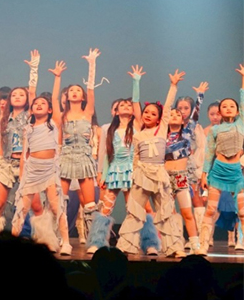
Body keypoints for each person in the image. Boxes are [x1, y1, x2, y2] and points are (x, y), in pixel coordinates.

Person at [116, 68, 186, 257]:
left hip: (159, 174)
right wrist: (136, 82)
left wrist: (173, 86)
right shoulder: (138, 134)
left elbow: (168, 106)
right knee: (134, 210)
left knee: (166, 211)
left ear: (159, 118)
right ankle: (126, 245)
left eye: (153, 113)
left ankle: (174, 247)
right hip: (142, 175)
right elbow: (136, 158)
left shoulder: (161, 129)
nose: (147, 115)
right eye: (146, 112)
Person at [0, 52, 38, 237]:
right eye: (14, 95)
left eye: (21, 94)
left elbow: (32, 92)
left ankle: (43, 239)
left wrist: (33, 69)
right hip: (6, 164)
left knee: (35, 205)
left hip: (25, 164)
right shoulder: (3, 119)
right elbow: (1, 145)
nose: (17, 97)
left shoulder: (30, 115)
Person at [87, 70, 141, 253]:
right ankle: (97, 241)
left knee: (132, 208)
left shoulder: (137, 126)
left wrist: (136, 82)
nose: (126, 106)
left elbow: (136, 102)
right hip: (114, 170)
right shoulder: (110, 130)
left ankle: (131, 242)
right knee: (105, 208)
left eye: (128, 105)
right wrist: (102, 174)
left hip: (132, 170)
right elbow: (107, 155)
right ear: (116, 112)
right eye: (121, 105)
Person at [51, 49, 101, 241]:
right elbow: (54, 100)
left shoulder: (87, 113)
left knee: (89, 204)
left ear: (82, 97)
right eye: (71, 90)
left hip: (84, 159)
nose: (74, 92)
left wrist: (92, 64)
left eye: (78, 90)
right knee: (60, 201)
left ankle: (92, 239)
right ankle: (60, 238)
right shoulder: (61, 116)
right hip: (65, 159)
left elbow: (92, 90)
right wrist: (57, 78)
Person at [14, 92, 72, 255]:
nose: (39, 105)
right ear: (31, 110)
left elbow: (54, 98)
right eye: (36, 103)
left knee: (56, 207)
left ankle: (66, 243)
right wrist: (22, 175)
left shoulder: (53, 124)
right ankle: (11, 245)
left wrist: (57, 79)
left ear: (50, 110)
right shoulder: (28, 129)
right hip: (32, 170)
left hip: (49, 170)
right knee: (22, 209)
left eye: (43, 103)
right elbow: (24, 154)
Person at [198, 64, 244, 255]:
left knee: (242, 212)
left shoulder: (241, 123)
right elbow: (209, 153)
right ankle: (202, 245)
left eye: (232, 106)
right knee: (210, 210)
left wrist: (243, 79)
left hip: (235, 172)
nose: (228, 108)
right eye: (224, 106)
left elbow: (243, 100)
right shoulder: (215, 130)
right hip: (217, 171)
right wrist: (204, 174)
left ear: (237, 111)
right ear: (220, 111)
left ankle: (240, 241)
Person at [165, 82, 209, 254]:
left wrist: (200, 96)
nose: (177, 115)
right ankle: (174, 245)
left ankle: (196, 246)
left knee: (187, 213)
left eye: (179, 113)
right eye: (173, 113)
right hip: (165, 177)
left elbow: (195, 115)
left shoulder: (187, 132)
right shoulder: (162, 134)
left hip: (181, 176)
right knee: (169, 213)